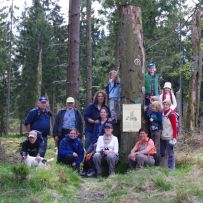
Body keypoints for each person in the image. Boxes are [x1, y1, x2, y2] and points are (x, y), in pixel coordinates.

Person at [81, 107, 110, 177]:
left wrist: (98, 143)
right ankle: (85, 169)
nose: (102, 113)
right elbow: (94, 133)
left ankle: (93, 170)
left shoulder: (108, 123)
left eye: (104, 112)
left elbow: (107, 135)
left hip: (103, 143)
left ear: (107, 114)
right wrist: (94, 142)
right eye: (101, 112)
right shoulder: (97, 122)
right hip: (94, 142)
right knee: (87, 153)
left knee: (94, 155)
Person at [160, 99, 177, 170]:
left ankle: (172, 169)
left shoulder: (172, 115)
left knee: (170, 153)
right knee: (163, 153)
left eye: (167, 104)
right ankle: (164, 167)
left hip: (169, 137)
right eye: (164, 104)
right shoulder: (162, 113)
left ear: (170, 105)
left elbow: (174, 127)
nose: (165, 106)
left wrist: (174, 137)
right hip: (162, 136)